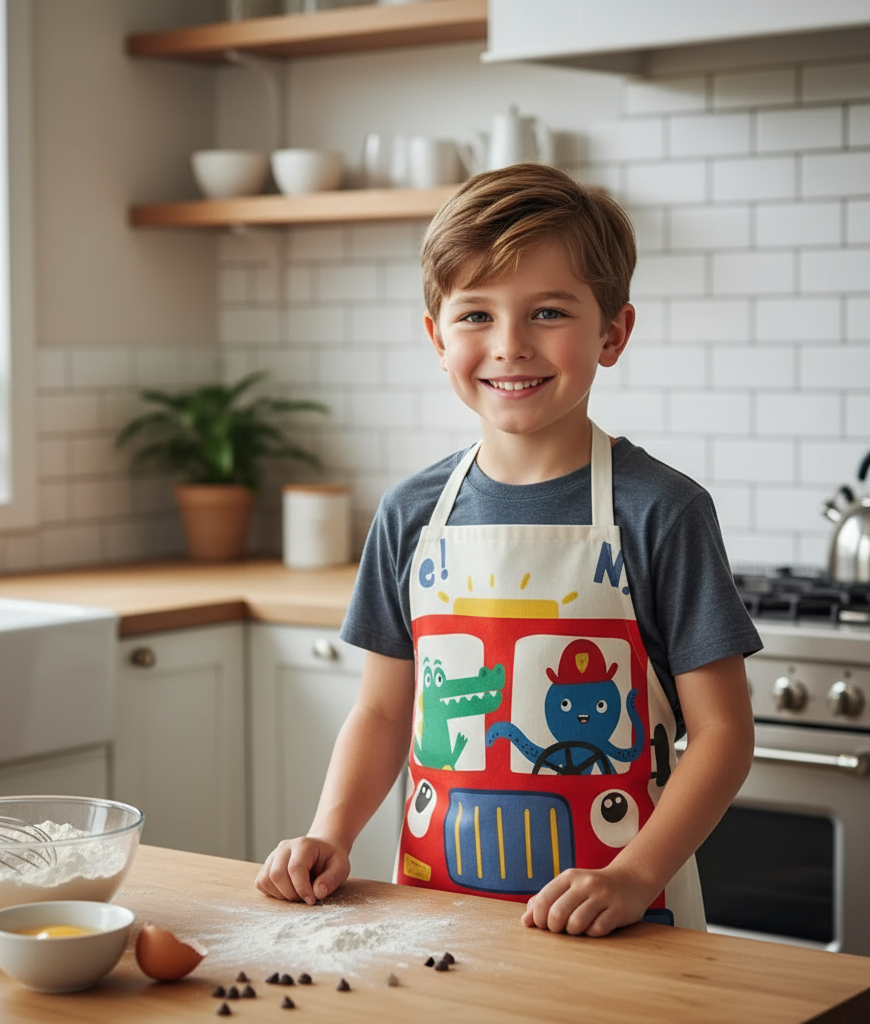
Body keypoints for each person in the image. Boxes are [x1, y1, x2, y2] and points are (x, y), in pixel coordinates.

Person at [255, 163, 760, 937]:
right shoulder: (409, 514)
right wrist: (331, 830)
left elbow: (723, 734)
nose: (510, 346)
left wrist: (632, 876)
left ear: (613, 333)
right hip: (437, 913)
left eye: (549, 311)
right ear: (436, 336)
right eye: (476, 316)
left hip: (624, 920)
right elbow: (384, 711)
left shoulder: (663, 510)